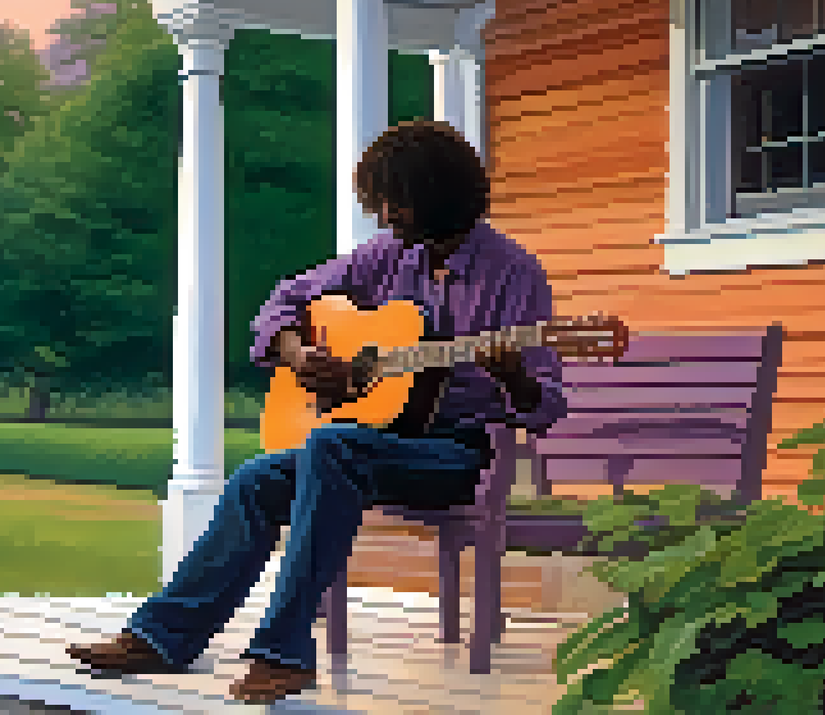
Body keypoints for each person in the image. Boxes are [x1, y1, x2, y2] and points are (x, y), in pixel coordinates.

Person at [67, 120, 568, 704]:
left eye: (394, 199)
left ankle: (283, 653)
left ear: (435, 192)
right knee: (257, 478)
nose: (384, 215)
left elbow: (547, 405)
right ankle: (162, 636)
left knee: (332, 446)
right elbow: (284, 299)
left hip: (457, 456)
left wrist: (513, 377)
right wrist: (297, 352)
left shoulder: (514, 273)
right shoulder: (388, 255)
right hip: (370, 446)